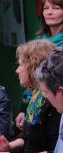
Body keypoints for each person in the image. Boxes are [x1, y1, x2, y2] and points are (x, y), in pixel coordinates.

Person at [15, 0, 63, 130]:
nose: (49, 12)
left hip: (55, 102)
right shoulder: (39, 40)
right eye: (46, 8)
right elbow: (31, 76)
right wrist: (24, 109)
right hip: (36, 100)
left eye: (56, 8)